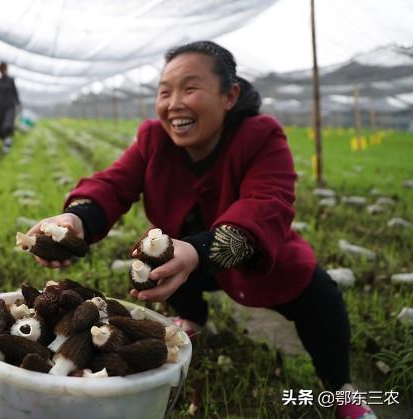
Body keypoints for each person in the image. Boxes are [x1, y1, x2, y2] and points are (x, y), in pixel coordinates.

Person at [25, 41, 376, 419]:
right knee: (164, 263)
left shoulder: (261, 136)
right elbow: (113, 185)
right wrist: (76, 219)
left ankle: (342, 390)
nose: (174, 102)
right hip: (186, 255)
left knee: (319, 297)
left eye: (190, 88)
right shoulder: (153, 139)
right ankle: (191, 316)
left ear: (230, 95)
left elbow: (267, 205)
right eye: (165, 91)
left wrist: (197, 252)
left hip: (252, 254)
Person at [0, 62, 21, 153]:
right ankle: (5, 141)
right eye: (1, 69)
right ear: (0, 70)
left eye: (4, 69)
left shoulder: (11, 80)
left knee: (7, 124)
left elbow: (15, 93)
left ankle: (7, 143)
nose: (3, 71)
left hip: (10, 105)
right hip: (0, 106)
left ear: (6, 69)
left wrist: (19, 104)